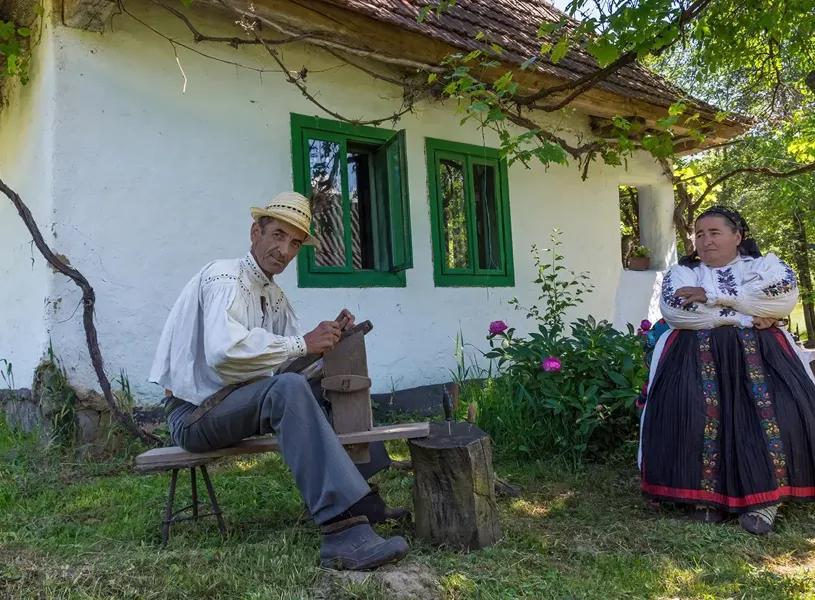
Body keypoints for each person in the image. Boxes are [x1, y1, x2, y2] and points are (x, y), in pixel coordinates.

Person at [149, 191, 410, 569]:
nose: (285, 250)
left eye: (295, 243)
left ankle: (364, 501)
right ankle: (342, 534)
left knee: (328, 381)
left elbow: (285, 365)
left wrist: (327, 341)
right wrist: (300, 343)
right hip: (193, 415)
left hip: (234, 402)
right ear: (256, 231)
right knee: (288, 391)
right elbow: (224, 353)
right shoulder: (225, 277)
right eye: (277, 235)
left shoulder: (275, 298)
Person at [639, 206, 815, 534]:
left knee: (774, 411)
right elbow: (679, 314)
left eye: (714, 233)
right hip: (692, 357)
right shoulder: (683, 273)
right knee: (691, 409)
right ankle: (707, 499)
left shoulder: (765, 266)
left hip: (763, 357)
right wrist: (745, 315)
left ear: (738, 236)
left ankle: (765, 502)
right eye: (700, 235)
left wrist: (712, 296)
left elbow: (779, 300)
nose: (705, 241)